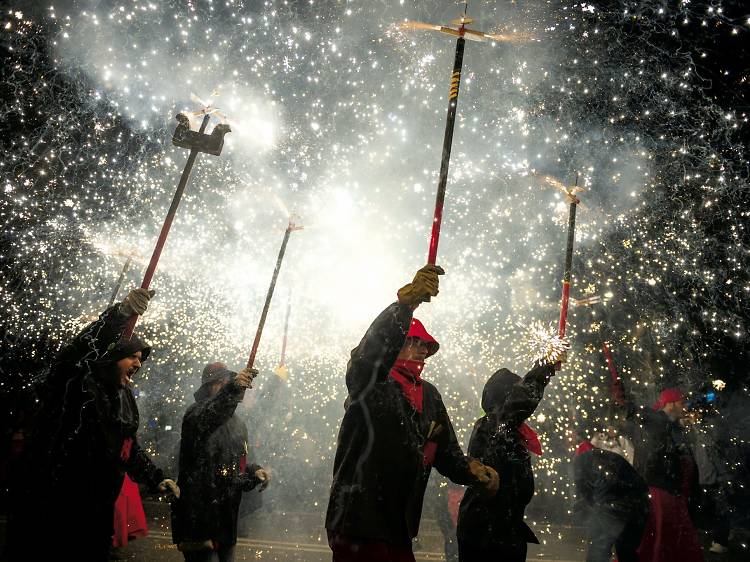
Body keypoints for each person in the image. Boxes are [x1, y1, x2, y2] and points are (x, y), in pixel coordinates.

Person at [325, 264, 499, 562]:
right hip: (359, 519)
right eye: (414, 342)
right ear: (397, 344)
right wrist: (405, 306)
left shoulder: (429, 394)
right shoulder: (372, 384)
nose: (422, 350)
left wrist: (472, 470)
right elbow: (368, 357)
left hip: (399, 522)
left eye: (425, 345)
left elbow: (446, 452)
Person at [8, 288, 179, 561]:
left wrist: (155, 477)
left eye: (141, 358)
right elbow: (75, 354)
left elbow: (126, 445)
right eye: (132, 356)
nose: (138, 363)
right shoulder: (75, 385)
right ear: (110, 358)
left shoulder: (123, 397)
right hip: (52, 507)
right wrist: (119, 316)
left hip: (96, 512)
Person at [456, 358, 562, 562]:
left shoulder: (506, 428)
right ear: (505, 398)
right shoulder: (495, 424)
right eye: (516, 390)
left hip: (503, 529)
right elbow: (521, 401)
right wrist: (545, 367)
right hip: (487, 534)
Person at [171, 362, 270, 562]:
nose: (227, 386)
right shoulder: (196, 414)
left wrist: (254, 472)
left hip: (226, 518)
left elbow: (237, 464)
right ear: (208, 387)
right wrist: (232, 389)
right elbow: (211, 416)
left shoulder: (238, 423)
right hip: (198, 517)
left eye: (228, 382)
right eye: (221, 383)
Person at [618, 385, 704, 562]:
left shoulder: (673, 427)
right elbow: (634, 411)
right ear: (670, 403)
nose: (684, 406)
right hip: (657, 489)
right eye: (682, 402)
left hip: (669, 489)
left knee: (667, 537)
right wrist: (623, 397)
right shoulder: (655, 418)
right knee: (658, 537)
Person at [574, 428, 650, 562]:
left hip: (618, 506)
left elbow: (591, 494)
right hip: (638, 506)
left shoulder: (586, 463)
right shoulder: (609, 460)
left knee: (599, 549)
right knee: (626, 551)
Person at [686, 407, 732, 554]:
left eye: (695, 414)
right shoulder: (691, 433)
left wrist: (723, 476)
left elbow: (713, 452)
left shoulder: (706, 431)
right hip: (699, 478)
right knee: (707, 510)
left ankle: (720, 540)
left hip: (712, 478)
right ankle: (715, 536)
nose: (692, 417)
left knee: (719, 510)